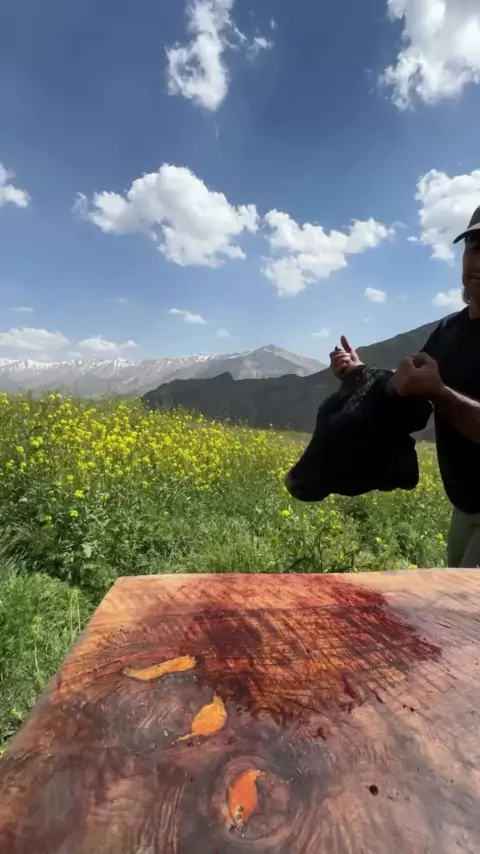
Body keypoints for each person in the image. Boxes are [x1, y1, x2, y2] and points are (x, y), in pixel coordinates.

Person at [330, 206, 480, 568]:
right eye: (474, 248)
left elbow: (433, 388)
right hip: (464, 505)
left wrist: (440, 392)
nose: (479, 260)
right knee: (454, 599)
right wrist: (358, 373)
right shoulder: (448, 331)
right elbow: (408, 383)